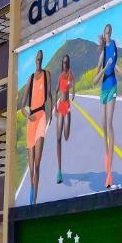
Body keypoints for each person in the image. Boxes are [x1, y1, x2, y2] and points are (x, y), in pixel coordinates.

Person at [92, 24, 122, 188]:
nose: (108, 35)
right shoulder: (103, 54)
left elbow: (115, 65)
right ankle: (107, 154)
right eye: (106, 33)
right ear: (103, 34)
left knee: (109, 121)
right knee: (103, 125)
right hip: (103, 89)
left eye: (110, 32)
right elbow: (94, 80)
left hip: (112, 85)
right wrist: (105, 67)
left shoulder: (114, 46)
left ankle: (109, 170)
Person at [21, 49, 52, 204]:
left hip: (41, 116)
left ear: (42, 58)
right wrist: (28, 115)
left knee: (37, 162)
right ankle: (32, 194)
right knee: (31, 165)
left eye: (41, 58)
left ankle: (34, 201)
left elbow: (50, 95)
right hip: (31, 118)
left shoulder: (47, 75)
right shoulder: (31, 78)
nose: (39, 60)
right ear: (35, 60)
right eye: (37, 58)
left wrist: (50, 115)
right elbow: (22, 106)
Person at [53, 54, 76, 184]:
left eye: (66, 62)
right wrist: (55, 109)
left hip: (67, 106)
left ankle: (68, 126)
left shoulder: (70, 73)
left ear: (69, 63)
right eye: (63, 62)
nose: (65, 64)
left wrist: (74, 92)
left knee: (66, 135)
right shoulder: (61, 75)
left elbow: (73, 83)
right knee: (58, 138)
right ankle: (59, 171)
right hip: (60, 106)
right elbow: (56, 90)